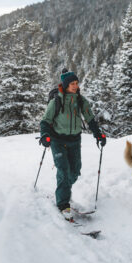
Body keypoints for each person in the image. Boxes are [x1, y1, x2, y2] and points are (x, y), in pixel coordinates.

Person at [40, 70, 106, 219]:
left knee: (74, 171)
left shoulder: (81, 101)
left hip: (75, 140)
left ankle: (62, 189)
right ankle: (63, 204)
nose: (75, 86)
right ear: (65, 85)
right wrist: (45, 135)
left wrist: (98, 135)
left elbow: (90, 119)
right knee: (63, 170)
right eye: (72, 84)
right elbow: (45, 121)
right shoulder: (56, 101)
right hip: (57, 140)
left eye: (76, 83)